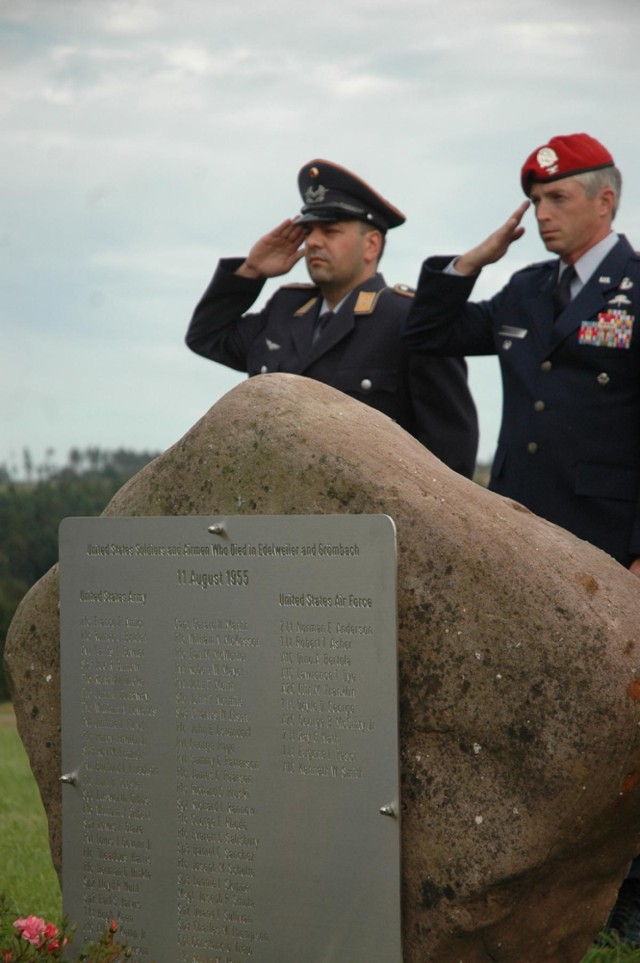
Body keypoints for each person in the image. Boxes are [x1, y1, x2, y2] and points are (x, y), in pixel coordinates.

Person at [403, 132, 640, 940]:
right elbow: (427, 334)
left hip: (611, 539)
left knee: (622, 721)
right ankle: (539, 886)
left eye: (558, 199)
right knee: (533, 709)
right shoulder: (527, 290)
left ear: (606, 200)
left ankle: (626, 900)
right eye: (535, 202)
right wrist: (473, 259)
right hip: (524, 536)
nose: (542, 214)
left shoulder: (637, 291)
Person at [186, 159, 479, 478]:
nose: (312, 241)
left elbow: (451, 454)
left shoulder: (410, 320)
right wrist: (250, 272)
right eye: (309, 231)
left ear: (371, 244)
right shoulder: (285, 309)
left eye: (330, 231)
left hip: (367, 523)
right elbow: (207, 336)